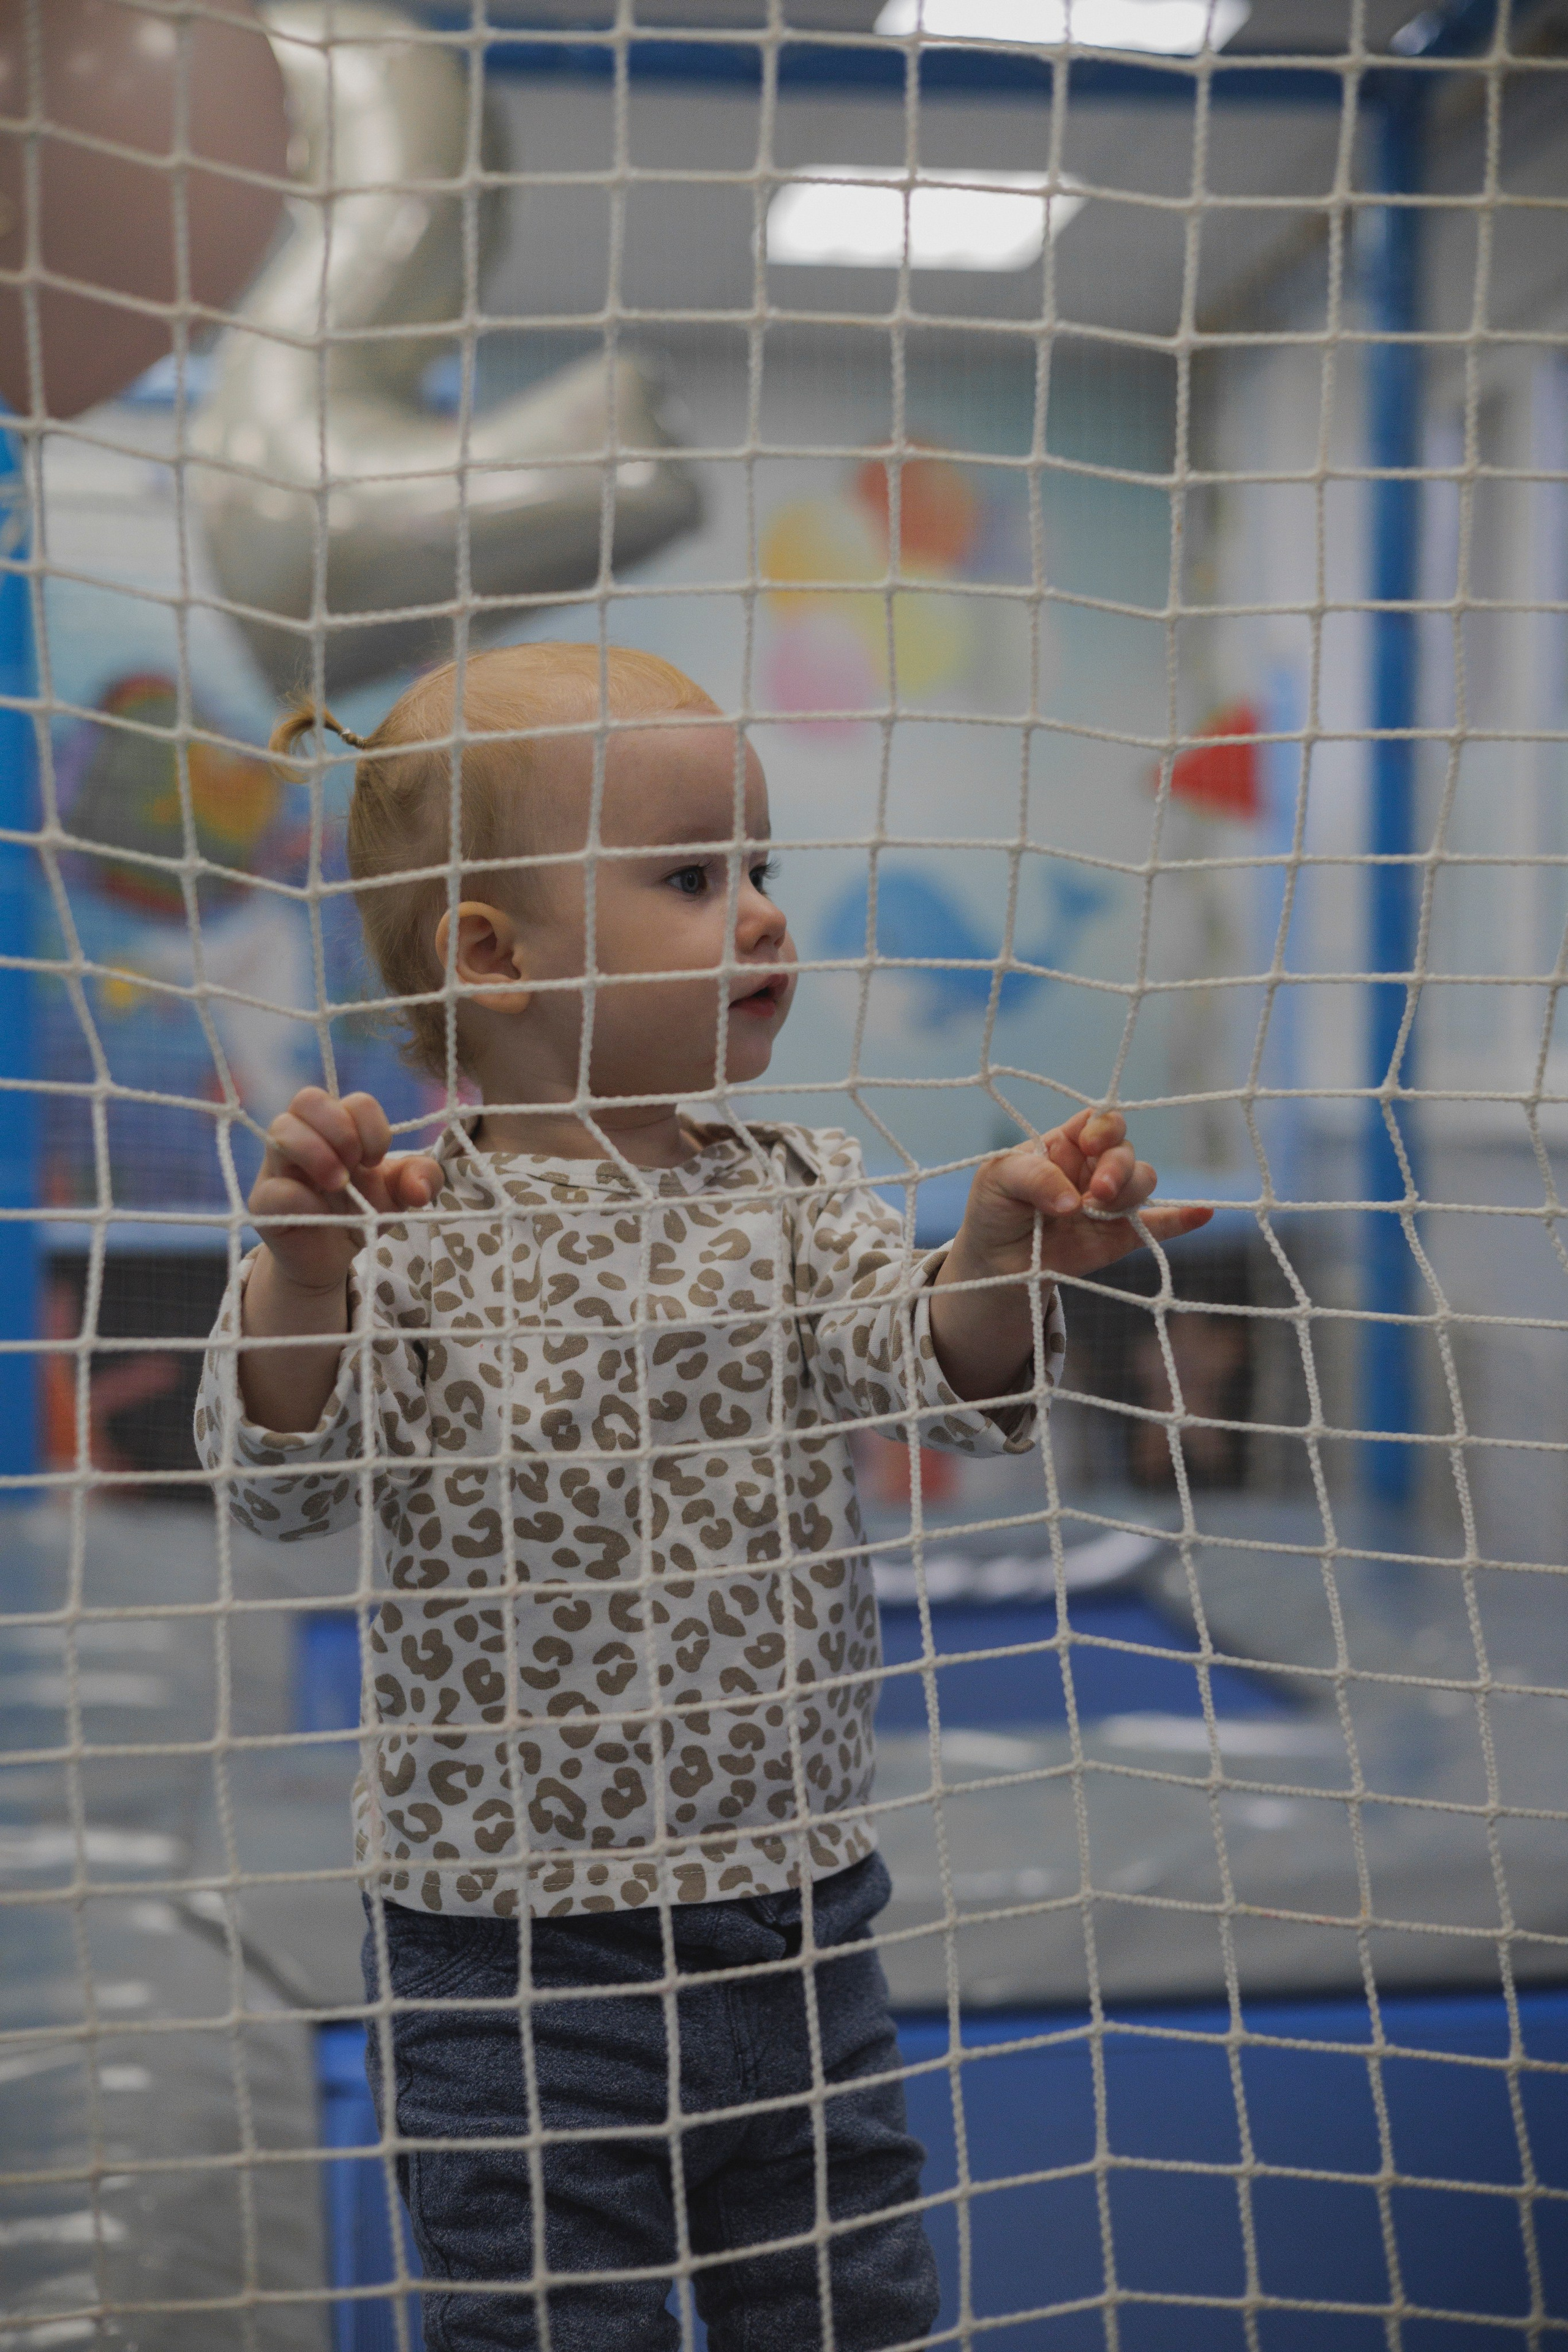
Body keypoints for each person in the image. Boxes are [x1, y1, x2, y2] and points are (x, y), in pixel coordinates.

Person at [194, 642, 1210, 2351]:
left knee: (843, 2303)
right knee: (549, 2322)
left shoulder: (794, 1190)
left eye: (759, 869)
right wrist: (304, 1279)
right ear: (493, 956)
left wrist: (1000, 1244)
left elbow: (933, 1382)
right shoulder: (411, 1225)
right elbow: (285, 1486)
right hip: (508, 1950)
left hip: (794, 1916)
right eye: (688, 877)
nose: (756, 916)